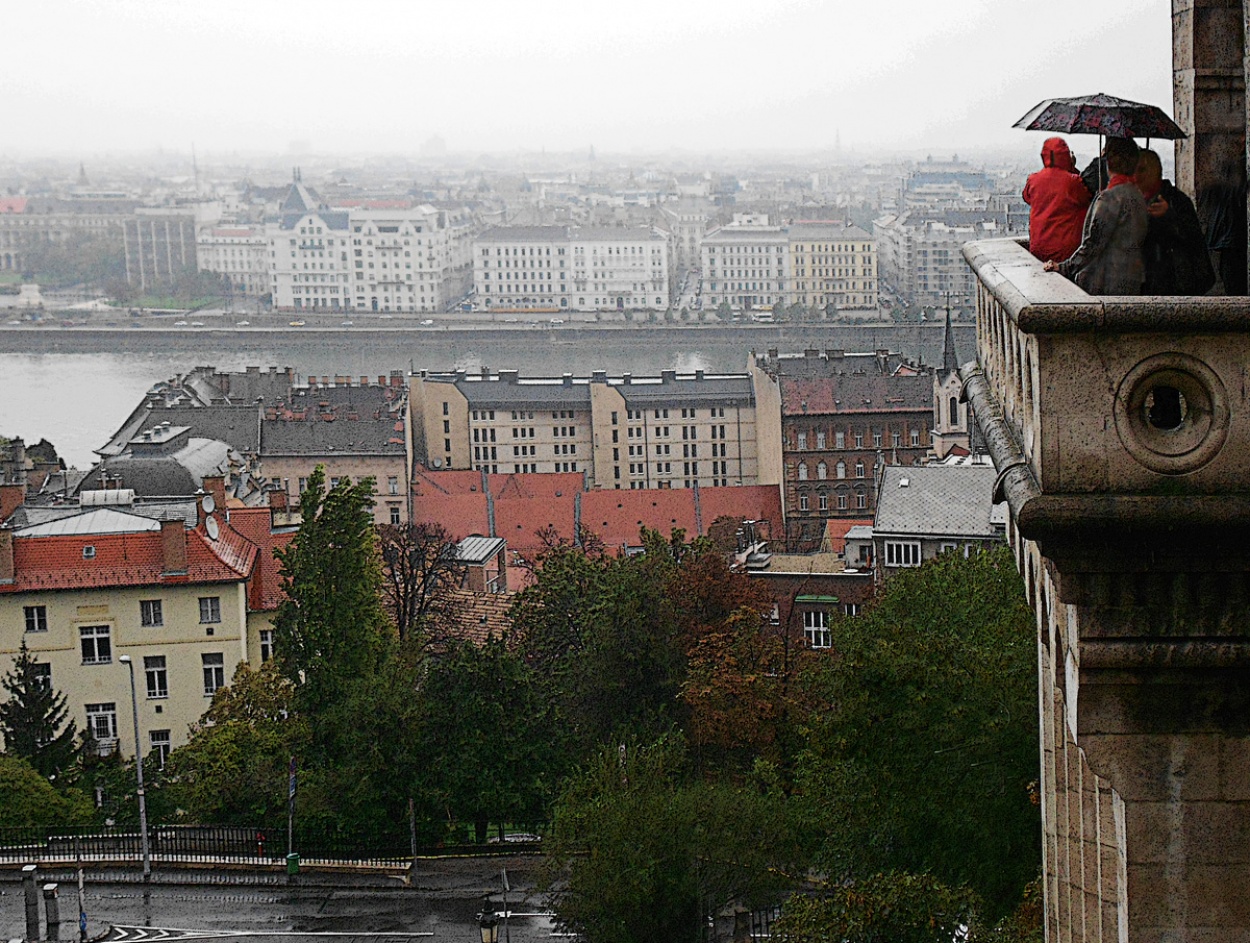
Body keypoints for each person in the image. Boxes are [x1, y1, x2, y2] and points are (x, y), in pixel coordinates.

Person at [1045, 137, 1148, 295]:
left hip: (1106, 283)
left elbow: (1093, 243)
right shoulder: (1137, 194)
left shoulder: (1111, 198)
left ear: (1110, 161)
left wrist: (1064, 267)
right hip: (1131, 280)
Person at [1134, 148, 1215, 295]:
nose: (1136, 176)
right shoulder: (1136, 200)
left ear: (1154, 171)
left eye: (1142, 170)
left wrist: (1169, 216)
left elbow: (1193, 238)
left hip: (1175, 281)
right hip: (1147, 280)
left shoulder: (1176, 200)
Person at [1023, 137, 1092, 263]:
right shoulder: (1072, 182)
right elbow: (1086, 199)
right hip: (1065, 250)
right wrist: (1071, 168)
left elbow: (1027, 197)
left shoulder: (1033, 180)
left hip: (1038, 247)